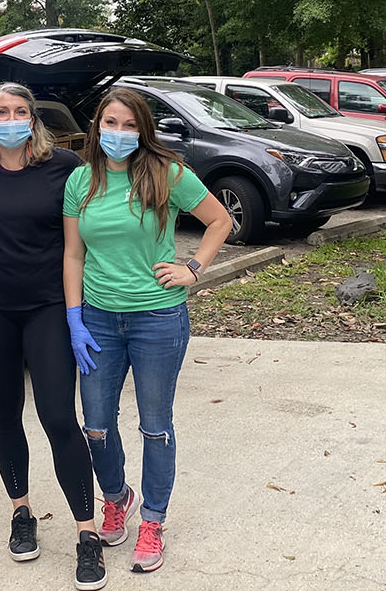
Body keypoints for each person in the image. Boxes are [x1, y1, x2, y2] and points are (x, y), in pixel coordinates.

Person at [62, 86, 233, 575]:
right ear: (97, 127)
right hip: (97, 318)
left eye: (129, 124)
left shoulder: (166, 173)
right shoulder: (81, 180)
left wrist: (194, 268)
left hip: (157, 317)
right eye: (110, 123)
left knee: (155, 426)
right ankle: (117, 496)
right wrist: (74, 317)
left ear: (143, 129)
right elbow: (73, 254)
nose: (119, 133)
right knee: (95, 422)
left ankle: (153, 520)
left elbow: (219, 221)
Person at [0, 81, 107, 591]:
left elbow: (90, 222)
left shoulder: (63, 166)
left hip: (48, 304)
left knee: (59, 416)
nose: (10, 119)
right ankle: (21, 512)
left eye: (19, 111)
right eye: (1, 112)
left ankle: (87, 533)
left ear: (32, 120)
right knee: (5, 410)